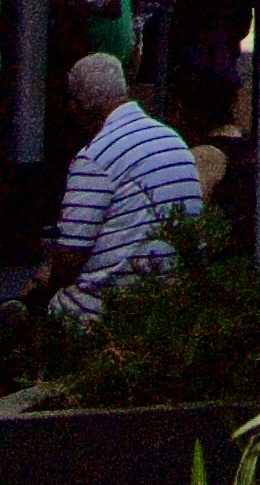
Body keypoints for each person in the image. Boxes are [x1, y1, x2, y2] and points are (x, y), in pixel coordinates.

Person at [40, 54, 208, 329]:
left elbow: (70, 256)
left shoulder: (94, 158)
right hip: (173, 295)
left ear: (75, 108)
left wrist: (45, 281)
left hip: (111, 305)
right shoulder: (172, 139)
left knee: (38, 308)